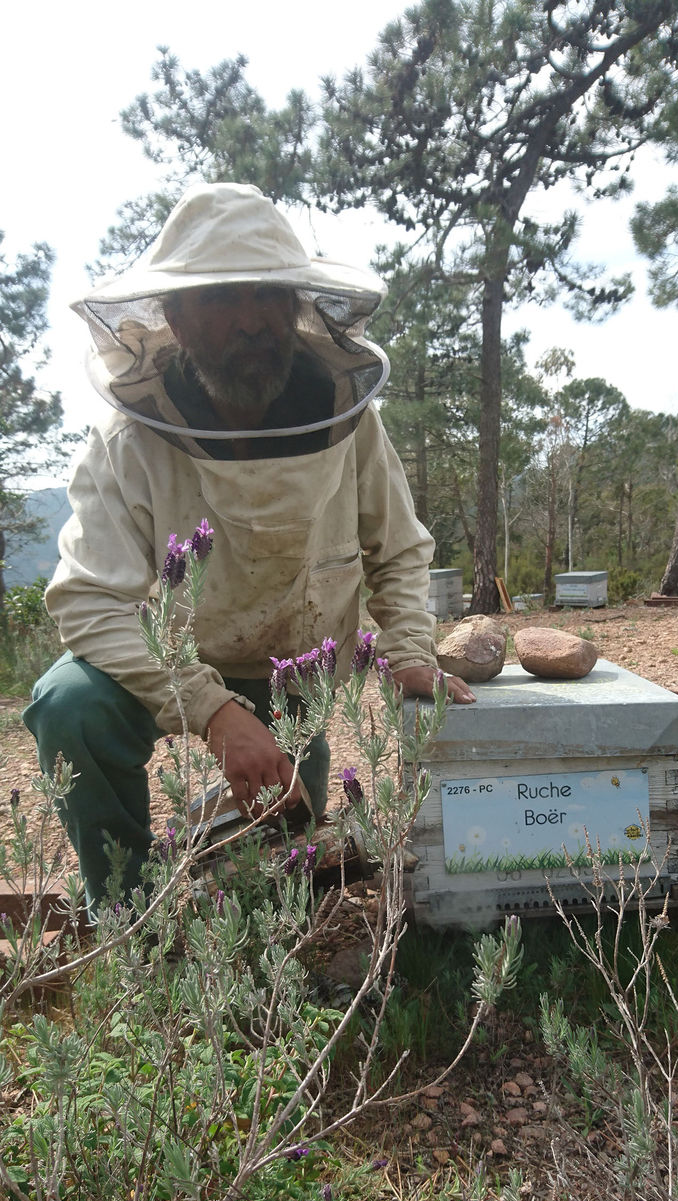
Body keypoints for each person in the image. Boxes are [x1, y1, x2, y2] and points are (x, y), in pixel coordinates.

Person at [23, 182, 474, 911]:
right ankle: (128, 913)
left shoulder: (347, 418)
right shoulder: (128, 438)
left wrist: (410, 652)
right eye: (221, 299)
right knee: (69, 704)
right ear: (174, 316)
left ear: (295, 306)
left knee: (272, 888)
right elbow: (90, 602)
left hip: (294, 673)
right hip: (169, 666)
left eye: (268, 294)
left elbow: (397, 549)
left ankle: (241, 828)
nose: (251, 321)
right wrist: (212, 711)